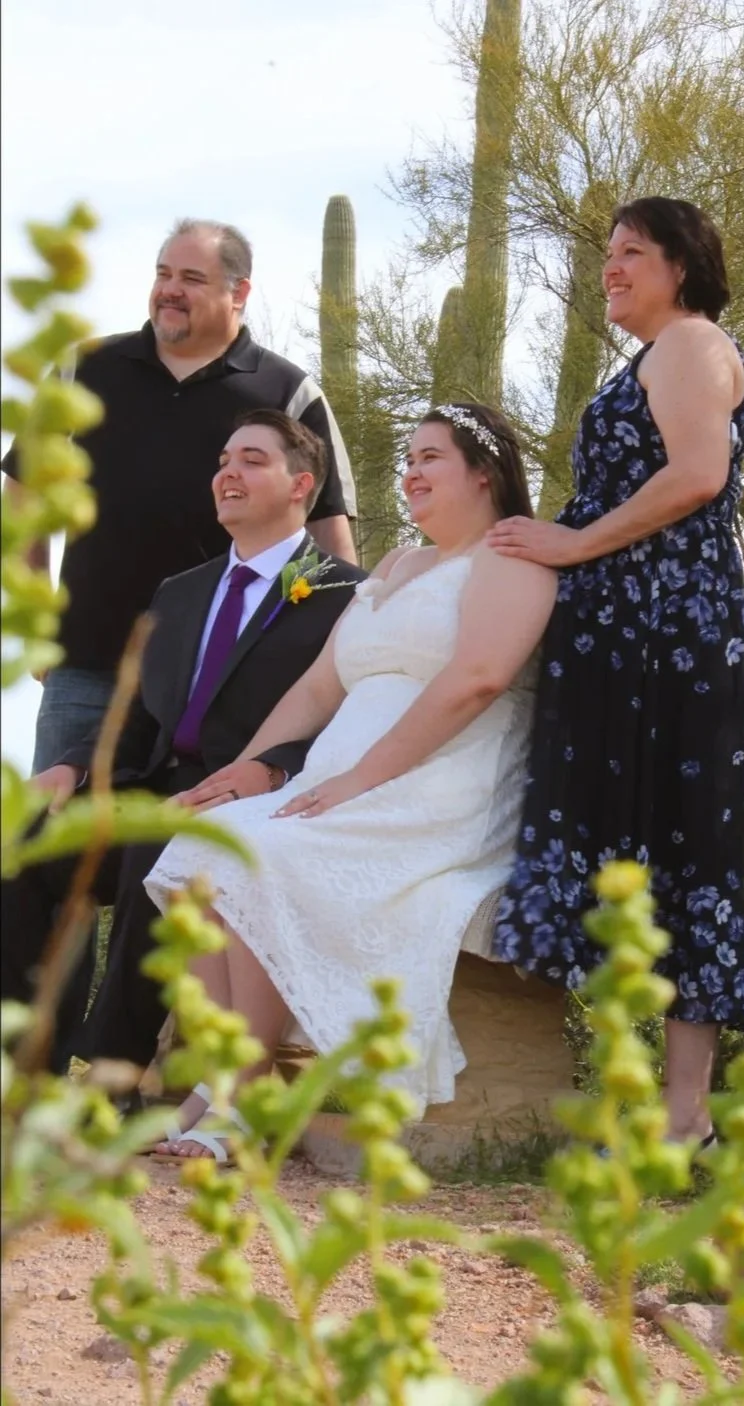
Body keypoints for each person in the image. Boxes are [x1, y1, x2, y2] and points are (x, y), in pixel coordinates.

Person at [141, 403, 557, 1162]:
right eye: (409, 457)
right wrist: (242, 774)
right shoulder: (397, 564)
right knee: (199, 850)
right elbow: (316, 688)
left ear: (484, 472)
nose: (411, 473)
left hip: (442, 785)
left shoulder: (511, 557)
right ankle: (239, 1078)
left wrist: (363, 779)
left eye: (431, 457)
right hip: (344, 777)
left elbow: (478, 679)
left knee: (265, 857)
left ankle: (237, 1098)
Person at [488, 197, 744, 1149]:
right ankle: (631, 1102)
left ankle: (684, 1116)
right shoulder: (652, 357)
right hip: (624, 636)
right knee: (623, 856)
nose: (611, 268)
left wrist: (572, 545)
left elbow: (696, 474)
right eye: (607, 254)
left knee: (686, 852)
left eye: (633, 253)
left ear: (682, 266)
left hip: (672, 636)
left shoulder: (692, 344)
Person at [1, 410, 365, 1075]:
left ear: (300, 484)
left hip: (251, 805)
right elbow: (136, 717)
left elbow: (351, 719)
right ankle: (26, 1067)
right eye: (224, 460)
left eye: (253, 460)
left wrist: (276, 768)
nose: (229, 472)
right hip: (153, 784)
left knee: (154, 844)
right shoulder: (179, 593)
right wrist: (70, 768)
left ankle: (115, 1072)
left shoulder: (346, 594)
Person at [1, 218, 358, 774]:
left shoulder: (289, 391)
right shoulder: (84, 368)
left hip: (224, 678)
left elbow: (327, 539)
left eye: (192, 277)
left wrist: (317, 655)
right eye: (163, 273)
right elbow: (21, 497)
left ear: (238, 292)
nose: (170, 289)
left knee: (194, 852)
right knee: (60, 848)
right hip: (86, 666)